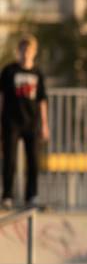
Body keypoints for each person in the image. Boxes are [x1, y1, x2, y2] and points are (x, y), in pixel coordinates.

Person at [1, 35, 49, 210]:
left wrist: (44, 124)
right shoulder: (9, 71)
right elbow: (2, 97)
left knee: (33, 161)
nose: (25, 53)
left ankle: (31, 196)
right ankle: (7, 196)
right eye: (23, 50)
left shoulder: (37, 73)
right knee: (9, 160)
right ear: (18, 51)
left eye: (29, 50)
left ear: (34, 53)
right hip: (11, 122)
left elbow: (42, 101)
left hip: (32, 123)